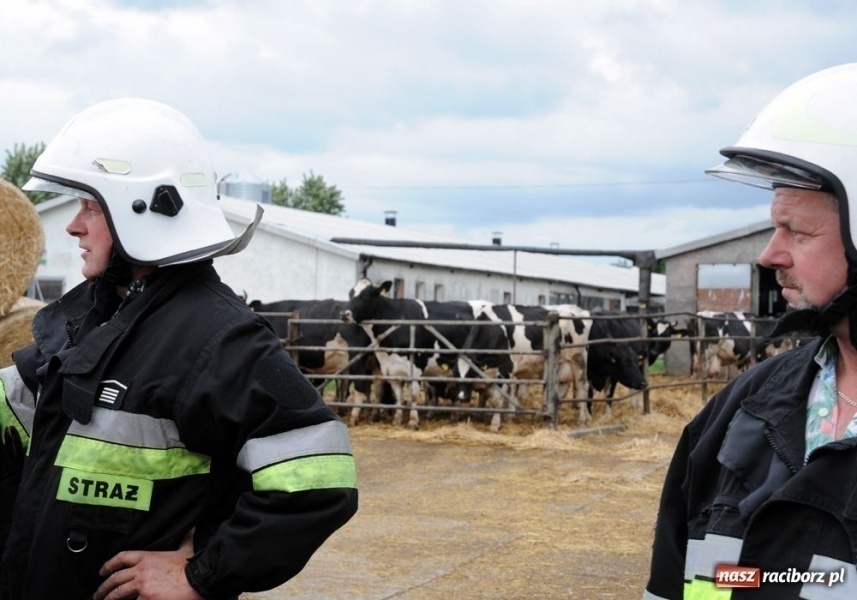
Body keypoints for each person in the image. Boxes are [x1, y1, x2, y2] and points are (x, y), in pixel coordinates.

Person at [0, 98, 358, 599]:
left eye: (91, 206)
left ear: (146, 209)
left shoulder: (222, 339)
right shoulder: (93, 315)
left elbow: (320, 482)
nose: (73, 226)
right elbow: (18, 409)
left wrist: (201, 573)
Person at [644, 63, 857, 599]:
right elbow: (686, 585)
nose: (769, 254)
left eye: (799, 232)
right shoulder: (743, 408)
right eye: (773, 227)